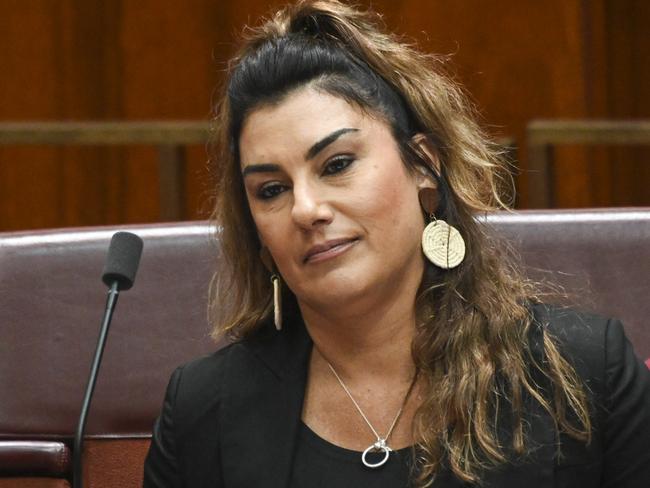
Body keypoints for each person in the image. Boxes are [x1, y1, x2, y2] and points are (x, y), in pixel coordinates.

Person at [143, 1, 650, 486]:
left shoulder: (581, 370)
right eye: (271, 190)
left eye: (337, 164)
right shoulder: (202, 412)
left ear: (423, 168)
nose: (305, 209)